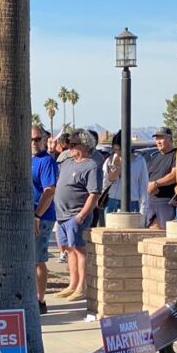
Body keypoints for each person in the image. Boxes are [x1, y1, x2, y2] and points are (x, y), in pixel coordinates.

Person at [54, 128, 102, 300]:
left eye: (74, 144)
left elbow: (94, 194)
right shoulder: (67, 162)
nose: (70, 147)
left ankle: (82, 286)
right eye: (70, 144)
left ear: (84, 145)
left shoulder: (91, 166)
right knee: (69, 250)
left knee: (79, 250)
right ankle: (72, 284)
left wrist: (81, 216)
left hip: (76, 215)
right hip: (62, 216)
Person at [31, 126, 58, 313]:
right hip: (29, 216)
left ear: (44, 139)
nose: (33, 143)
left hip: (42, 217)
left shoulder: (46, 161)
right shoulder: (29, 159)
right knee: (30, 259)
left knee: (37, 259)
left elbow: (49, 191)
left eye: (37, 139)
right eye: (30, 139)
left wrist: (38, 215)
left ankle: (40, 300)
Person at [103, 132, 149, 216]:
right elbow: (105, 183)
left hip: (132, 202)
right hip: (113, 201)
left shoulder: (139, 161)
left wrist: (143, 209)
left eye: (120, 150)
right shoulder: (109, 161)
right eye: (115, 150)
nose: (118, 153)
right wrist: (116, 167)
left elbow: (143, 185)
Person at [144, 128, 177, 230]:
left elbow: (174, 176)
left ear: (170, 139)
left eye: (161, 138)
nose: (158, 141)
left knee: (162, 234)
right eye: (157, 138)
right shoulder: (154, 157)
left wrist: (156, 184)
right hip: (150, 201)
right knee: (150, 234)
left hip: (166, 203)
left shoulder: (176, 155)